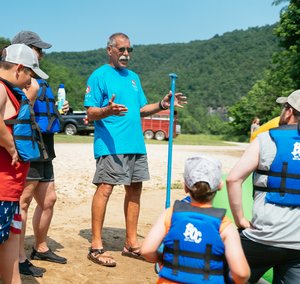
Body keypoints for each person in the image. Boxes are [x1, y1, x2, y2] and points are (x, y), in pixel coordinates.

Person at [84, 32, 187, 267]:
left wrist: (162, 104)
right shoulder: (98, 76)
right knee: (105, 189)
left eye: (129, 50)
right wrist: (107, 111)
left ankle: (130, 243)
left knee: (135, 190)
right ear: (110, 49)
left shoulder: (133, 78)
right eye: (121, 50)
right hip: (110, 144)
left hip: (135, 144)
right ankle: (96, 246)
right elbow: (90, 112)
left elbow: (141, 109)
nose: (126, 54)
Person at [226, 89, 300, 283]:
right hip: (298, 246)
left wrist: (241, 219)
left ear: (289, 111)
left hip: (262, 238)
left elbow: (233, 179)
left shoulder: (266, 139)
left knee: (223, 272)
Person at [11, 31, 68, 277]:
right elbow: (19, 114)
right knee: (23, 201)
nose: (42, 54)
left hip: (46, 145)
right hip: (29, 148)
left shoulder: (36, 78)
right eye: (39, 49)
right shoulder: (19, 77)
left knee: (48, 199)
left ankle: (40, 247)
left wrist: (60, 110)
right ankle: (18, 256)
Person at [141, 155, 250, 284]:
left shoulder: (170, 214)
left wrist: (161, 259)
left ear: (185, 187)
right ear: (220, 186)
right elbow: (241, 273)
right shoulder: (225, 225)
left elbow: (147, 250)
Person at [0, 44, 49, 284]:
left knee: (10, 236)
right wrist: (10, 145)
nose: (30, 80)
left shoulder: (11, 92)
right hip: (2, 189)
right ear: (19, 68)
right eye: (30, 73)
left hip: (11, 191)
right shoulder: (0, 88)